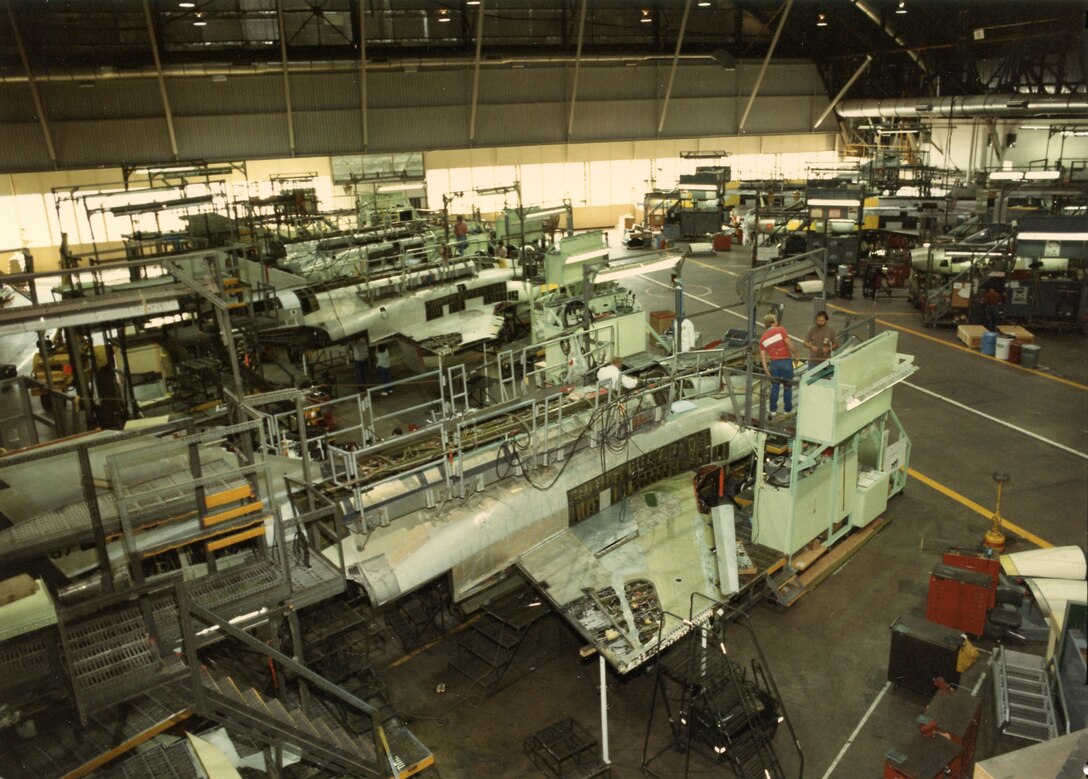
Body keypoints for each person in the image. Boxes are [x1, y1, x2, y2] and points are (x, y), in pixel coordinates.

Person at [759, 313, 799, 418]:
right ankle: (787, 410)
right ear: (772, 323)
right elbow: (789, 344)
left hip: (774, 364)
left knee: (775, 387)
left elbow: (763, 358)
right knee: (787, 386)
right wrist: (796, 354)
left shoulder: (762, 339)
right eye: (776, 321)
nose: (777, 322)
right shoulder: (780, 330)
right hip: (786, 361)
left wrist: (767, 370)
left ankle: (773, 410)